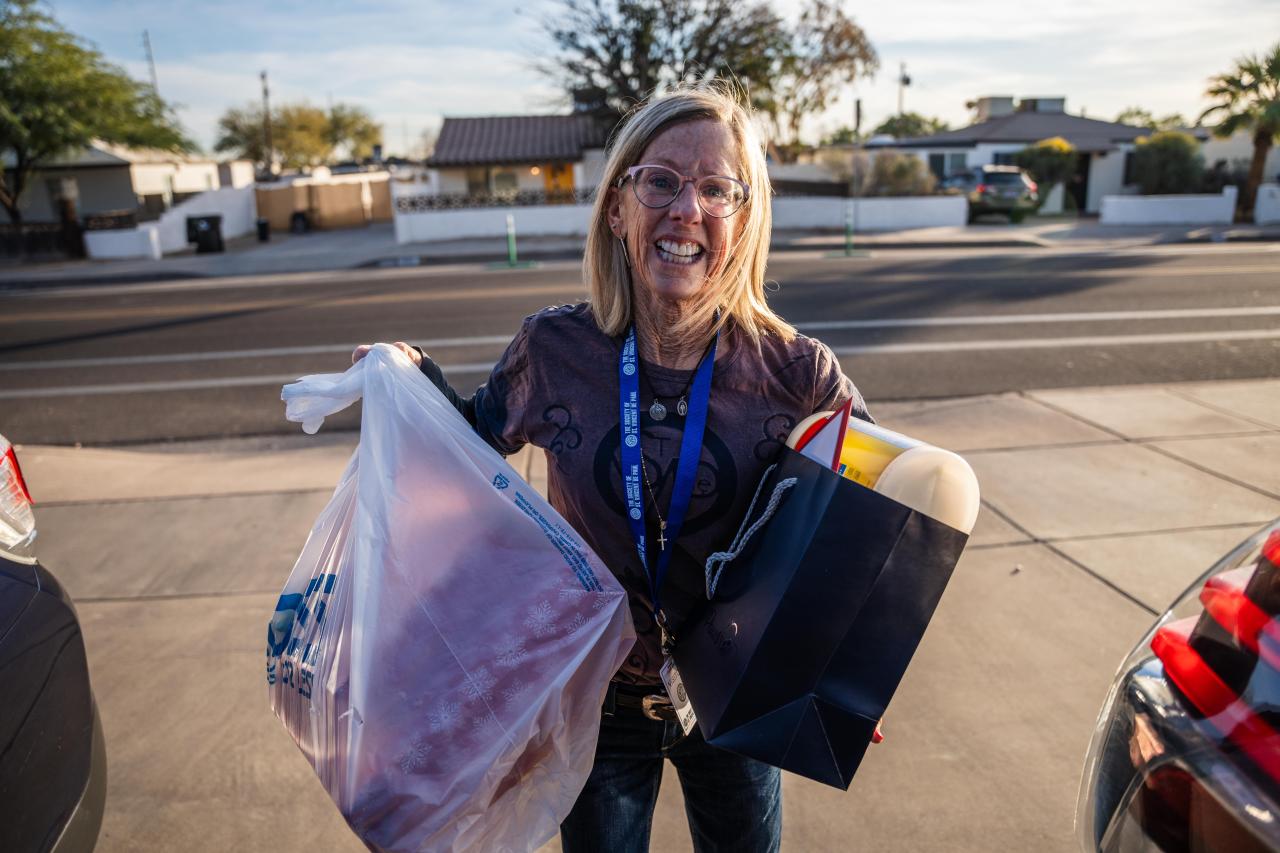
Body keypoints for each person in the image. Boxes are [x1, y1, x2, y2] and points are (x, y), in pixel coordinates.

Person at [354, 83, 871, 853]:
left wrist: (852, 663)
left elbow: (867, 522)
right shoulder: (556, 350)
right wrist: (406, 375)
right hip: (593, 703)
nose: (685, 209)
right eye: (660, 180)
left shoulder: (798, 374)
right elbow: (469, 441)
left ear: (745, 215)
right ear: (617, 207)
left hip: (734, 699)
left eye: (715, 189)